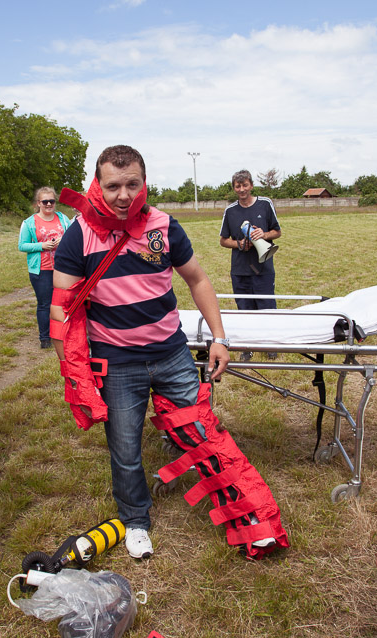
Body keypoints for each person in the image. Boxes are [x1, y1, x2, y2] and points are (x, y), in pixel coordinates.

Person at [51, 146, 288, 561]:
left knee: (206, 435)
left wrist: (219, 337)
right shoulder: (79, 234)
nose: (123, 195)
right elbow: (61, 312)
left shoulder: (163, 225)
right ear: (98, 185)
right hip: (116, 364)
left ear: (144, 183)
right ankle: (135, 520)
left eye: (132, 184)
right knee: (125, 451)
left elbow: (197, 279)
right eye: (113, 186)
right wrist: (77, 375)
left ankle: (250, 519)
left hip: (172, 356)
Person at [218, 169, 281, 311]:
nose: (242, 189)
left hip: (263, 270)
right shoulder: (230, 211)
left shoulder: (265, 204)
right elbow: (223, 241)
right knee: (245, 313)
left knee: (268, 312)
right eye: (238, 186)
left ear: (251, 185)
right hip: (240, 272)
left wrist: (263, 235)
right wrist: (239, 244)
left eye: (245, 185)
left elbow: (277, 232)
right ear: (234, 188)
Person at [19, 186, 71, 349]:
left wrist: (64, 241)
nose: (49, 204)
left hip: (63, 268)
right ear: (38, 203)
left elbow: (73, 237)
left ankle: (65, 333)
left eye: (52, 201)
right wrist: (42, 245)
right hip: (41, 269)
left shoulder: (63, 219)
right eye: (45, 201)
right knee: (44, 304)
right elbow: (22, 245)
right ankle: (45, 338)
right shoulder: (29, 222)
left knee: (65, 302)